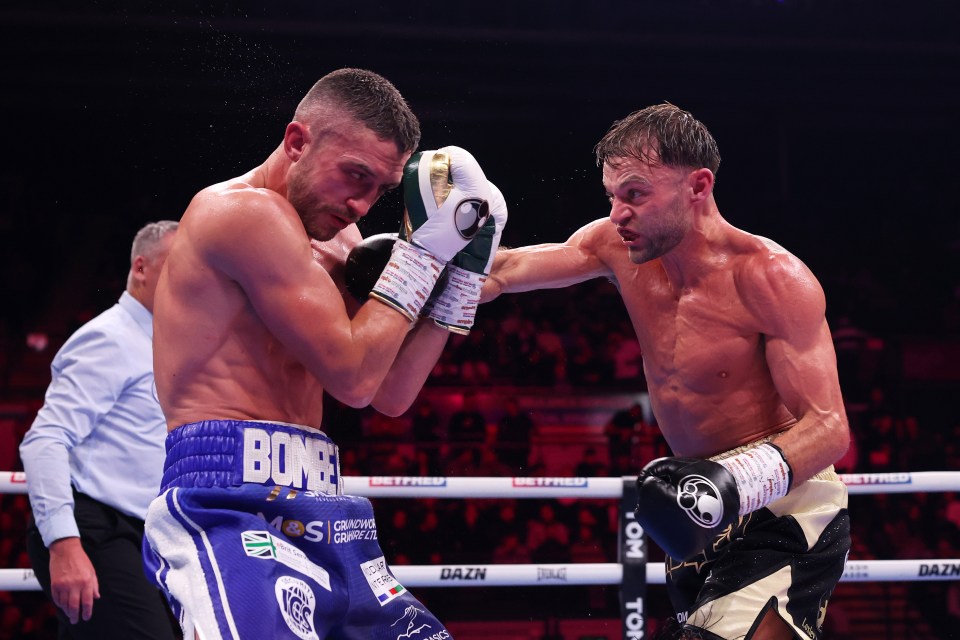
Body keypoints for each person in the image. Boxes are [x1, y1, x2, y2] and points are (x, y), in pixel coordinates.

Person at [143, 68, 506, 640]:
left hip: (321, 502)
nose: (362, 205)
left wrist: (458, 280)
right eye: (354, 176)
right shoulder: (240, 213)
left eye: (381, 190)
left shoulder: (341, 243)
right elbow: (354, 378)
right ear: (297, 142)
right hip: (227, 505)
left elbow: (388, 393)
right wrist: (422, 256)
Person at [483, 103, 850, 640]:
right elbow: (506, 270)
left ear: (697, 186)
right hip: (696, 508)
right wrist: (418, 262)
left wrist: (733, 482)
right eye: (611, 196)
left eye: (634, 194)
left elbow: (830, 427)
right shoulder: (617, 248)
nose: (616, 214)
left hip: (783, 506)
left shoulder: (770, 277)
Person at [19, 221, 180, 639]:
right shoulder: (110, 338)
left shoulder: (167, 344)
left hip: (143, 536)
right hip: (93, 530)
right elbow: (45, 440)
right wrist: (64, 544)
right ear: (141, 268)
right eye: (176, 266)